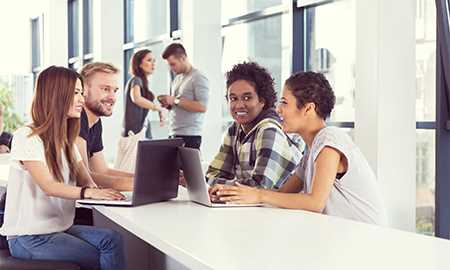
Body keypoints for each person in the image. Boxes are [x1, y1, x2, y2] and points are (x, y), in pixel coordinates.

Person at [217, 71, 387, 225]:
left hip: (366, 239)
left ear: (308, 108)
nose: (278, 109)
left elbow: (315, 203)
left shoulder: (330, 140)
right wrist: (231, 193)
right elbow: (282, 194)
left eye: (284, 102)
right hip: (341, 236)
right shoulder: (312, 150)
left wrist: (259, 195)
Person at [0, 66, 126, 269]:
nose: (81, 100)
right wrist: (89, 192)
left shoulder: (66, 143)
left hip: (59, 229)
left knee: (112, 240)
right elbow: (48, 186)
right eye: (76, 93)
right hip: (29, 237)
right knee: (100, 256)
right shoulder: (27, 136)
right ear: (57, 95)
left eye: (81, 93)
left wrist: (114, 194)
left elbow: (88, 181)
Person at [206, 62, 302, 194]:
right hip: (256, 209)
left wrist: (222, 187)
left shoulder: (269, 130)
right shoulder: (235, 130)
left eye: (247, 98)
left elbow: (259, 188)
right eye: (233, 98)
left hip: (284, 211)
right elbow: (213, 174)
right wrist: (222, 186)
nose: (239, 105)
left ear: (262, 100)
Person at [77, 62, 133, 191]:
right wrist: (151, 184)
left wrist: (151, 179)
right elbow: (85, 178)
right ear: (84, 89)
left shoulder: (95, 122)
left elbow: (102, 171)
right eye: (105, 89)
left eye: (115, 90)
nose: (112, 97)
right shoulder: (78, 118)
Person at [158, 43, 209, 149]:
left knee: (189, 166)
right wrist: (168, 104)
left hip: (190, 136)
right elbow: (176, 104)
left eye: (173, 64)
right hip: (174, 133)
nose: (171, 68)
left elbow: (202, 107)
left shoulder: (198, 77)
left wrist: (175, 101)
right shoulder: (177, 79)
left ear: (183, 58)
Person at [123, 49, 164, 139]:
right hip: (134, 132)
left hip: (142, 128)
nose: (153, 64)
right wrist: (157, 108)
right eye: (149, 60)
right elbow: (136, 98)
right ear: (139, 64)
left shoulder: (142, 82)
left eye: (154, 61)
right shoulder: (136, 80)